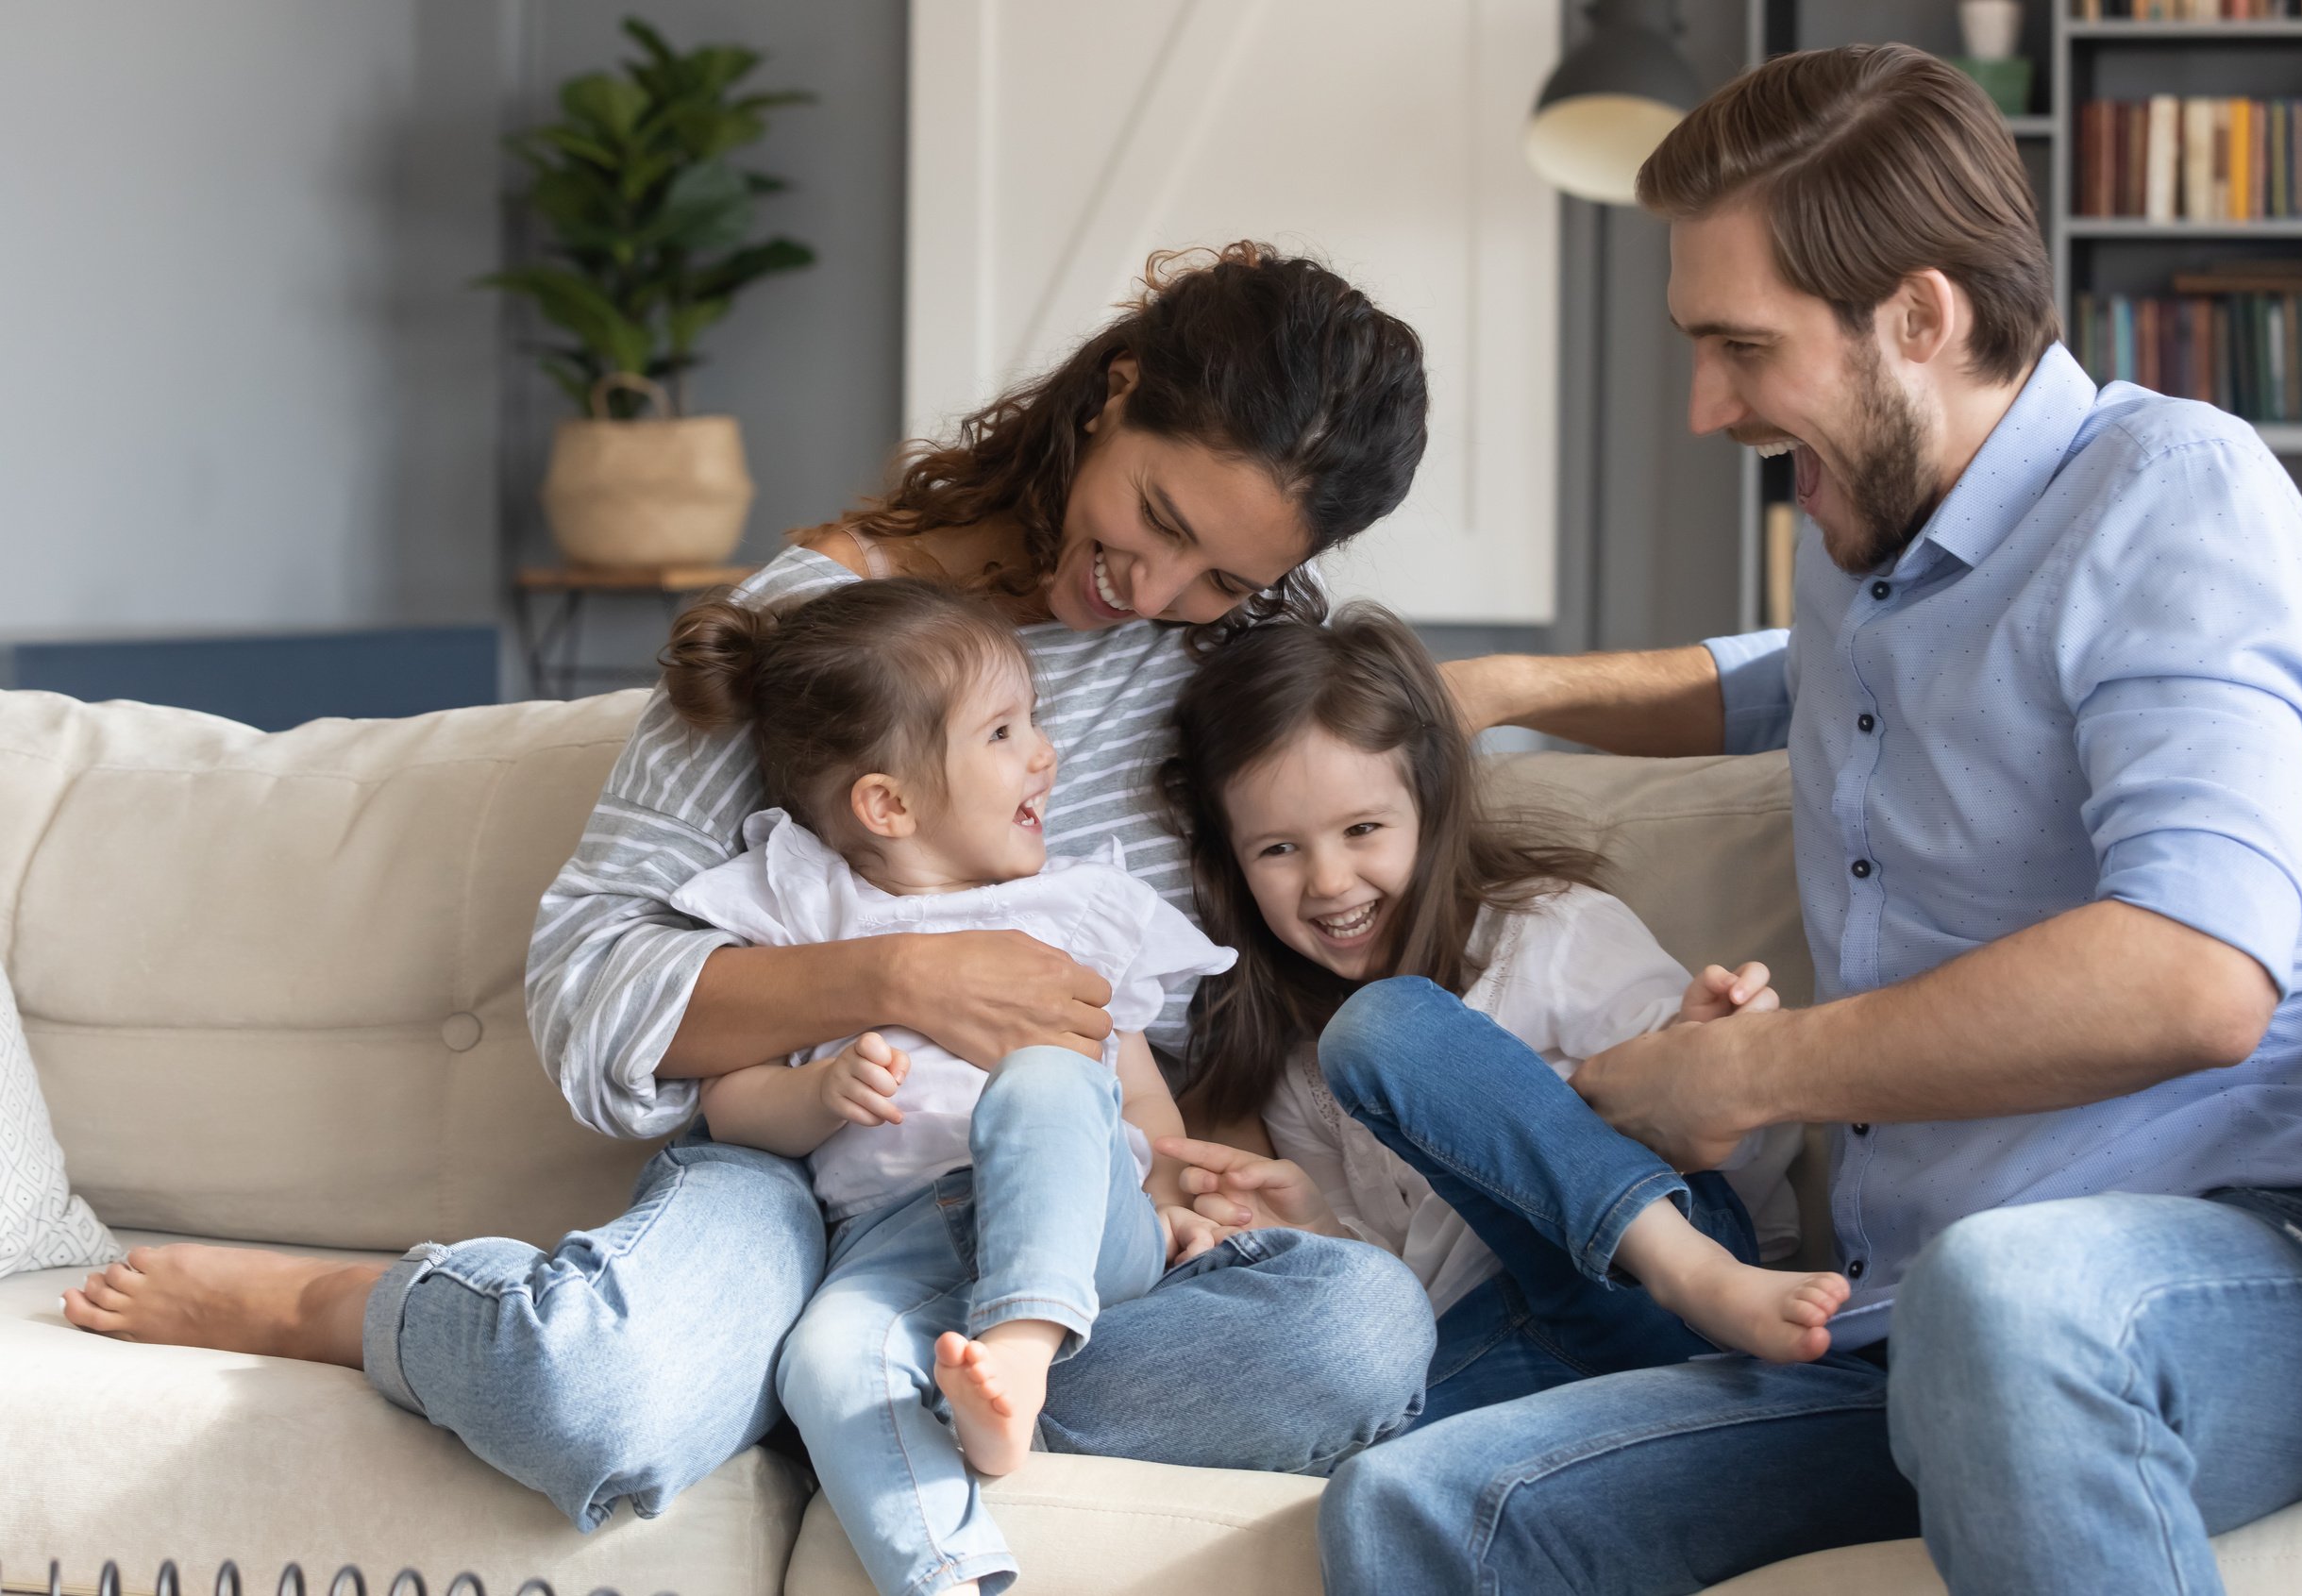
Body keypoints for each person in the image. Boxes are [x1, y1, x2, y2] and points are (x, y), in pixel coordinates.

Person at [60, 243, 1439, 1531]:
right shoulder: (828, 623)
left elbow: (1310, 914)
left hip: (1066, 1228)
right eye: (1156, 516)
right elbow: (592, 980)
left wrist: (1207, 1163)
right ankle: (374, 1308)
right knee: (592, 1398)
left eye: (1225, 575)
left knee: (1358, 1332)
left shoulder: (1242, 653)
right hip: (798, 1180)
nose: (1159, 587)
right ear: (1118, 391)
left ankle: (805, 1378)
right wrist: (901, 978)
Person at [1321, 45, 2302, 1596]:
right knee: (1425, 1509)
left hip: (2242, 1258)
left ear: (1919, 315)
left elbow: (2194, 973)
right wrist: (1486, 692)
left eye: (1739, 347)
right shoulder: (1872, 544)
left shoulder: (2176, 497)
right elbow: (1787, 685)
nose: (1705, 407)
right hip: (1900, 1315)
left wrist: (1741, 1072)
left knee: (2005, 1299)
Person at [657, 579, 1242, 1596]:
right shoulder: (807, 902)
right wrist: (820, 1092)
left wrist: (1168, 1198)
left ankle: (1019, 1353)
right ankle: (949, 1574)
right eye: (1004, 731)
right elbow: (729, 1103)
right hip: (895, 1240)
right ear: (888, 803)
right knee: (822, 1361)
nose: (1043, 754)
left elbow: (1137, 1097)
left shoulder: (1082, 907)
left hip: (1080, 1215)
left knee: (1043, 1077)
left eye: (1035, 721)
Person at [1149, 606, 1846, 1424]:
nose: (1330, 880)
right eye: (1278, 849)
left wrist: (1700, 1057)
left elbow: (1731, 1148)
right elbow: (1401, 1303)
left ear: (1431, 809)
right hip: (1517, 1349)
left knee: (1384, 1026)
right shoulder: (1292, 1062)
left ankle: (1685, 1267)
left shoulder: (1547, 929)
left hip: (1675, 1297)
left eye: (1363, 829)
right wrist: (1319, 1228)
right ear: (1232, 864)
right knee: (1350, 1417)